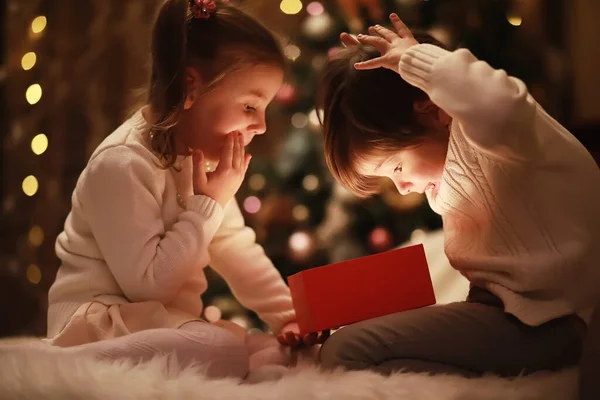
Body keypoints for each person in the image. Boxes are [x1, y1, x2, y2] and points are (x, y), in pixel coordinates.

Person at [44, 0, 325, 381]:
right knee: (220, 347)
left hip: (160, 322)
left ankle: (256, 362)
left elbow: (234, 246)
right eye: (249, 106)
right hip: (97, 326)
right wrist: (208, 203)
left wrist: (289, 315)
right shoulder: (122, 164)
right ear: (191, 87)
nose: (260, 125)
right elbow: (148, 286)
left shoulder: (199, 162)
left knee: (266, 347)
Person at [316, 13, 600, 385]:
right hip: (515, 315)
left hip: (552, 321)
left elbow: (500, 102)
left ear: (435, 112)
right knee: (347, 344)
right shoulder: (454, 172)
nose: (401, 188)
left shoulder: (501, 142)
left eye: (396, 167)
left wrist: (416, 62)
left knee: (348, 352)